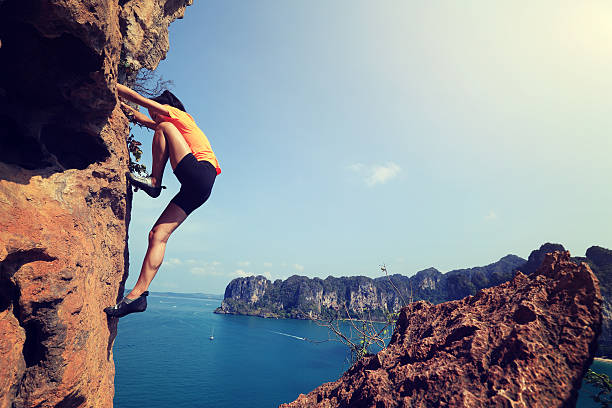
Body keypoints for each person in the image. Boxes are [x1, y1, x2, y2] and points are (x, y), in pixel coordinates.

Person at [104, 83, 220, 318]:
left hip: (201, 172)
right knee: (157, 235)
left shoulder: (179, 116)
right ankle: (137, 296)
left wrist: (108, 82)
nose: (153, 116)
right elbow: (143, 119)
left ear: (166, 106)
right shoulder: (177, 130)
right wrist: (126, 110)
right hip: (199, 187)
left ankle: (155, 181)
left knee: (164, 126)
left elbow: (142, 101)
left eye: (155, 112)